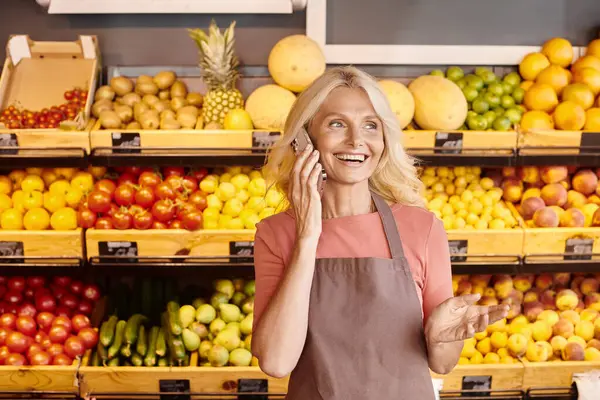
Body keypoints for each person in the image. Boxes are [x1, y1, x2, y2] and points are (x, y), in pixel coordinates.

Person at [251, 66, 509, 399]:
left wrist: (440, 336)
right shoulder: (275, 234)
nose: (356, 141)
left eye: (370, 125)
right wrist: (307, 236)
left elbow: (443, 364)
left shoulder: (422, 228)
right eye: (337, 124)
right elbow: (276, 361)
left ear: (384, 139)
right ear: (305, 138)